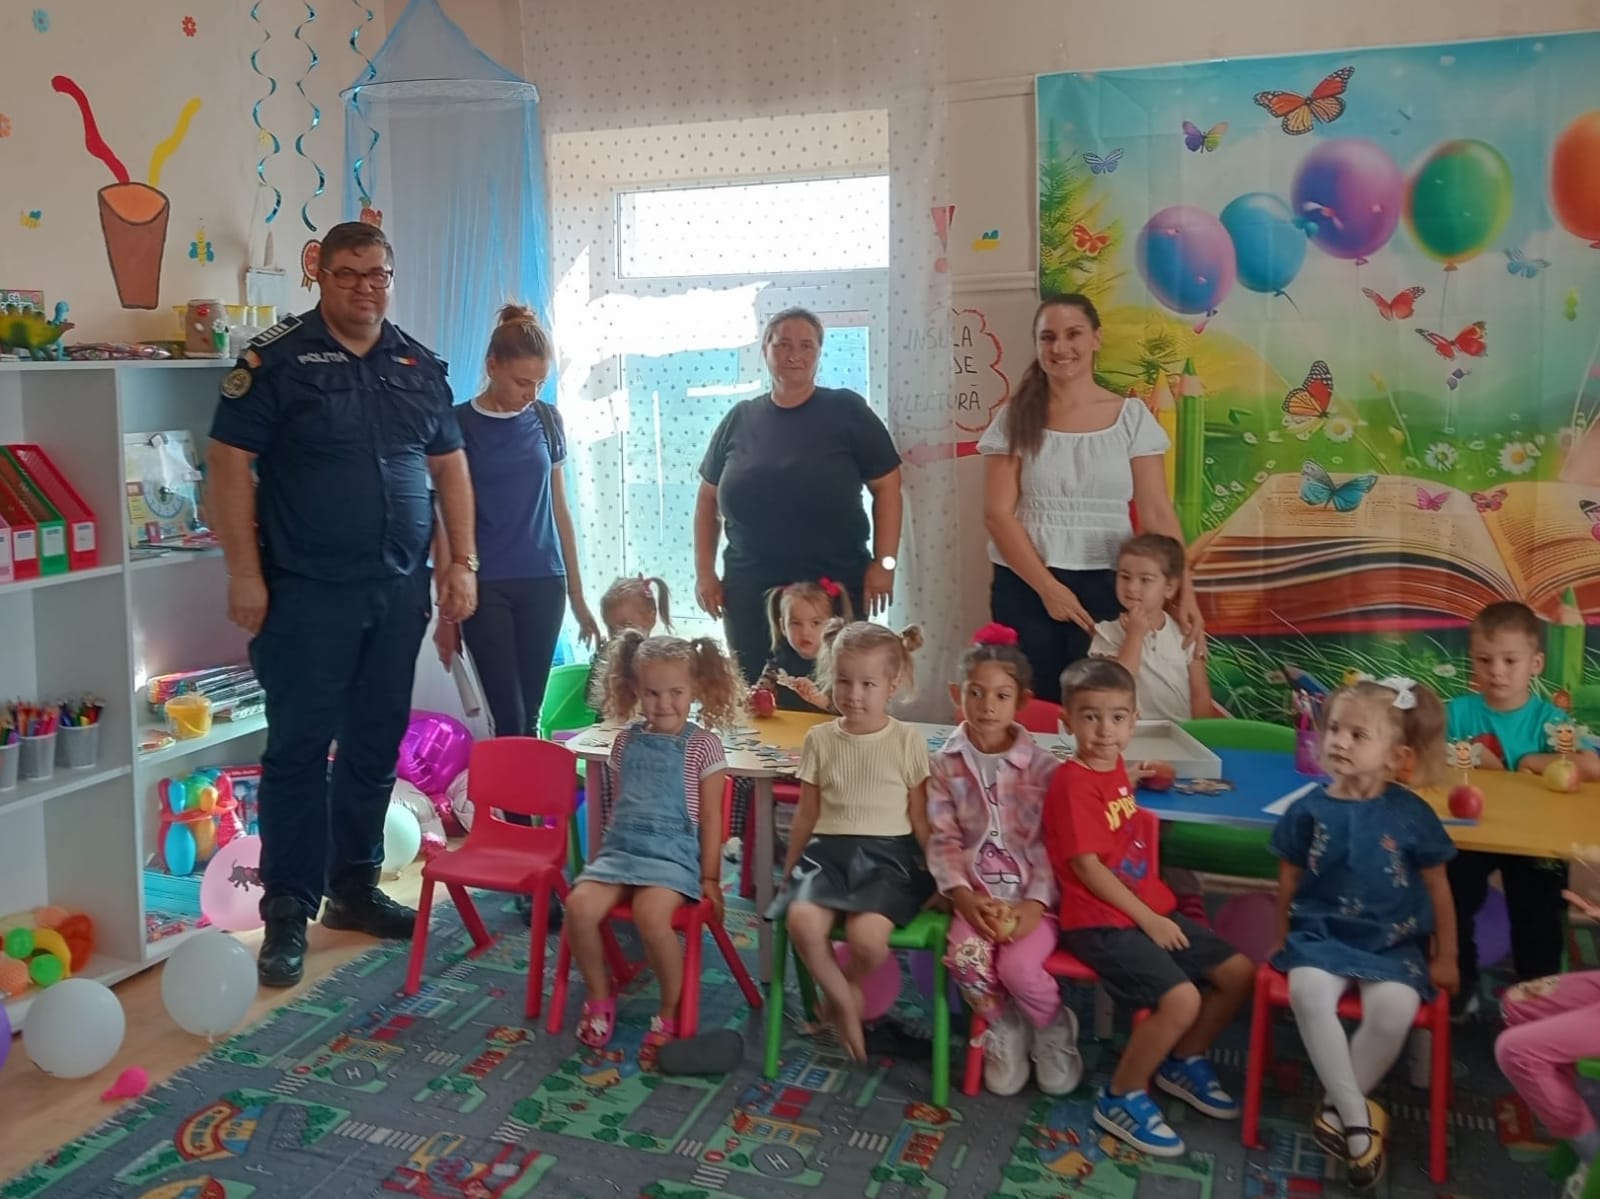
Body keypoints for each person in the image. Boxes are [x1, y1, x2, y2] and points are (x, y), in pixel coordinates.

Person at [207, 221, 475, 987]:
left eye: (378, 273)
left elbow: (449, 467)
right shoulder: (276, 362)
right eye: (349, 273)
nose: (366, 287)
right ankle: (288, 909)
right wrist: (243, 573)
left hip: (396, 590)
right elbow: (227, 464)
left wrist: (462, 561)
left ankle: (353, 887)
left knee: (373, 742)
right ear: (319, 275)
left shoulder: (416, 364)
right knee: (298, 750)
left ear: (391, 277)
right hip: (305, 593)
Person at [1043, 657, 1252, 1158]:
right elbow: (1089, 869)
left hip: (1142, 909)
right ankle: (1121, 1095)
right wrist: (1150, 919)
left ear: (1134, 721)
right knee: (1183, 1000)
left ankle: (1183, 1059)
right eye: (1090, 717)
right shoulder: (1071, 783)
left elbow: (1110, 802)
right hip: (1100, 922)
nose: (1105, 730)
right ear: (1067, 722)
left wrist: (1134, 777)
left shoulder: (1112, 765)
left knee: (1239, 972)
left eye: (1117, 717)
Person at [1269, 677, 1457, 1190]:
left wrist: (1447, 956)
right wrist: (1281, 934)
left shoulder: (1412, 814)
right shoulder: (1308, 808)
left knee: (1393, 1012)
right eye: (1334, 729)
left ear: (1396, 756)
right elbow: (1287, 879)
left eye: (1357, 735)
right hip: (1320, 934)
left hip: (1393, 941)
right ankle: (1357, 1121)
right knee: (1308, 994)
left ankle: (1336, 1110)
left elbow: (1440, 888)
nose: (1339, 741)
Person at [980, 295, 1202, 703]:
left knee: (1100, 702)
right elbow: (997, 514)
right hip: (1026, 583)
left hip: (1112, 583)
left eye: (1073, 334)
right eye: (1048, 337)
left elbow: (1157, 513)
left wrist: (1185, 591)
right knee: (1036, 703)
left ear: (1096, 339)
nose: (1060, 347)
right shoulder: (1014, 418)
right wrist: (1048, 588)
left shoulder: (1132, 418)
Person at [695, 308, 904, 683]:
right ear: (765, 349)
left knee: (836, 693)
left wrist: (885, 565)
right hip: (750, 591)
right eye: (783, 344)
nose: (795, 354)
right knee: (756, 693)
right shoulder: (739, 418)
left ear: (819, 352)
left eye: (806, 345)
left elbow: (888, 486)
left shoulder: (847, 410)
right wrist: (705, 573)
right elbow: (707, 499)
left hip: (833, 588)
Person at [563, 631, 742, 1063]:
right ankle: (600, 993)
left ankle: (669, 1009)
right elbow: (619, 807)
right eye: (652, 693)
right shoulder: (625, 741)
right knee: (578, 906)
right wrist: (600, 862)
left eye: (676, 692)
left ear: (695, 688)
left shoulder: (704, 745)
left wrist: (711, 878)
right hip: (621, 850)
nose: (664, 704)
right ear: (634, 689)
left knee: (651, 915)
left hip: (672, 857)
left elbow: (712, 818)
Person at [927, 622, 1081, 1097]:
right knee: (965, 960)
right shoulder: (944, 764)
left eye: (1001, 695)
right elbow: (943, 838)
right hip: (975, 900)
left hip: (1032, 904)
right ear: (957, 694)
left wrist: (1033, 906)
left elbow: (1053, 846)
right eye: (975, 693)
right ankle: (1004, 1025)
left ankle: (1052, 1026)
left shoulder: (1045, 768)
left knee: (1018, 969)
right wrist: (964, 898)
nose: (987, 706)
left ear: (1022, 701)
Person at [433, 304, 600, 738]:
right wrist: (446, 612)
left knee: (530, 716)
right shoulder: (457, 424)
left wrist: (578, 596)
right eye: (523, 382)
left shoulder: (547, 419)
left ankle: (528, 785)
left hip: (544, 581)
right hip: (485, 584)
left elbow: (560, 509)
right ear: (493, 367)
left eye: (540, 383)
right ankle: (513, 783)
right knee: (507, 717)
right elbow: (443, 518)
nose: (531, 393)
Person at [774, 620, 932, 1062]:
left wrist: (942, 876)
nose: (853, 694)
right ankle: (843, 1001)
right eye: (843, 681)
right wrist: (790, 868)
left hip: (886, 860)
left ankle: (851, 987)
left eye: (868, 684)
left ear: (892, 686)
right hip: (826, 855)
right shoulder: (819, 739)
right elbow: (806, 814)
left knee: (867, 940)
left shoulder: (908, 740)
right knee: (802, 922)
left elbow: (920, 818)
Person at [1446, 601, 1600, 1017]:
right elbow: (1424, 757)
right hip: (1472, 834)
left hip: (1533, 840)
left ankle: (1535, 1002)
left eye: (1510, 660)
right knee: (1449, 895)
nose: (1496, 671)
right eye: (1484, 660)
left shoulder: (1550, 722)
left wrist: (1531, 761)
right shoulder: (1458, 713)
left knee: (1538, 918)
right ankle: (1459, 984)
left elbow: (1591, 765)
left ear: (1536, 664)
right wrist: (1464, 757)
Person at [1090, 533, 1213, 723]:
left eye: (1145, 580)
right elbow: (1117, 686)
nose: (1132, 587)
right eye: (1125, 577)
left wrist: (1204, 736)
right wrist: (1135, 635)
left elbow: (1200, 695)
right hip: (1131, 733)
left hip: (1180, 733)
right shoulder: (1107, 633)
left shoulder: (1185, 633)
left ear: (1169, 588)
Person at [760, 578, 853, 712]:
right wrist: (756, 702)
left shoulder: (841, 666)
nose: (805, 632)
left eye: (815, 623)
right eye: (796, 623)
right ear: (783, 627)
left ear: (832, 625)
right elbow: (761, 695)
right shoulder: (776, 667)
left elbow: (852, 710)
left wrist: (821, 701)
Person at [585, 575, 673, 711]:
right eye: (611, 628)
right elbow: (593, 699)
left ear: (651, 616)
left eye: (626, 625)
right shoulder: (609, 656)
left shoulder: (660, 658)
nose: (618, 634)